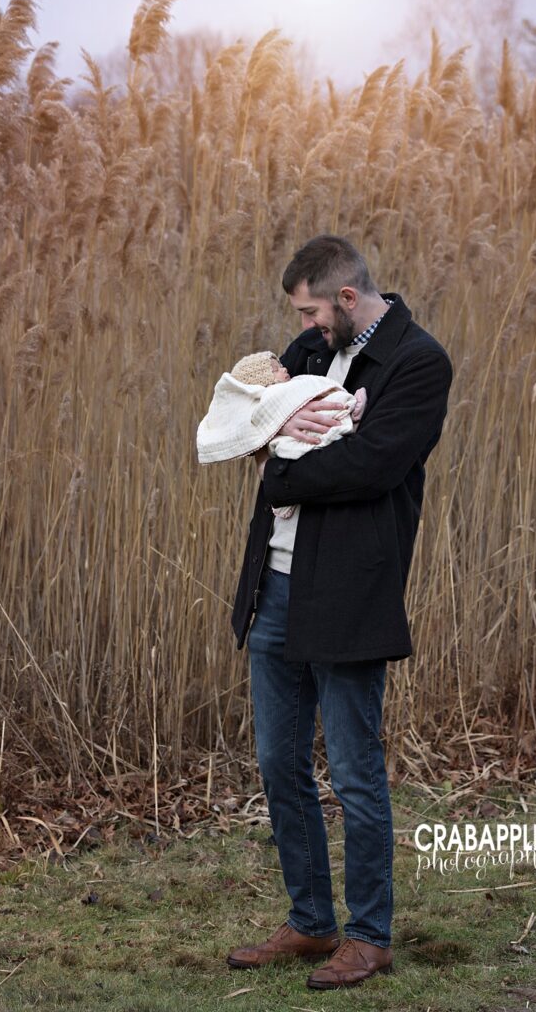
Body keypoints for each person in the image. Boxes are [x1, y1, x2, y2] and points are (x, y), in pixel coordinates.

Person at [226, 235, 453, 990]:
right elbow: (254, 417)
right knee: (277, 764)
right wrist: (273, 434)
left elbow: (372, 465)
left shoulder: (419, 363)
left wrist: (283, 462)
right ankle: (310, 921)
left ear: (348, 300)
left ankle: (368, 935)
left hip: (348, 590)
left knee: (354, 772)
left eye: (313, 311)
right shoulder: (316, 346)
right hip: (276, 584)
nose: (305, 327)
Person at [196, 350, 367, 518]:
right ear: (261, 382)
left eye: (281, 367)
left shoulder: (292, 382)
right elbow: (253, 417)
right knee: (305, 437)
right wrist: (277, 421)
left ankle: (345, 411)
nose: (284, 369)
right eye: (275, 370)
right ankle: (347, 416)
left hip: (310, 449)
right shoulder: (271, 395)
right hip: (292, 447)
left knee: (322, 408)